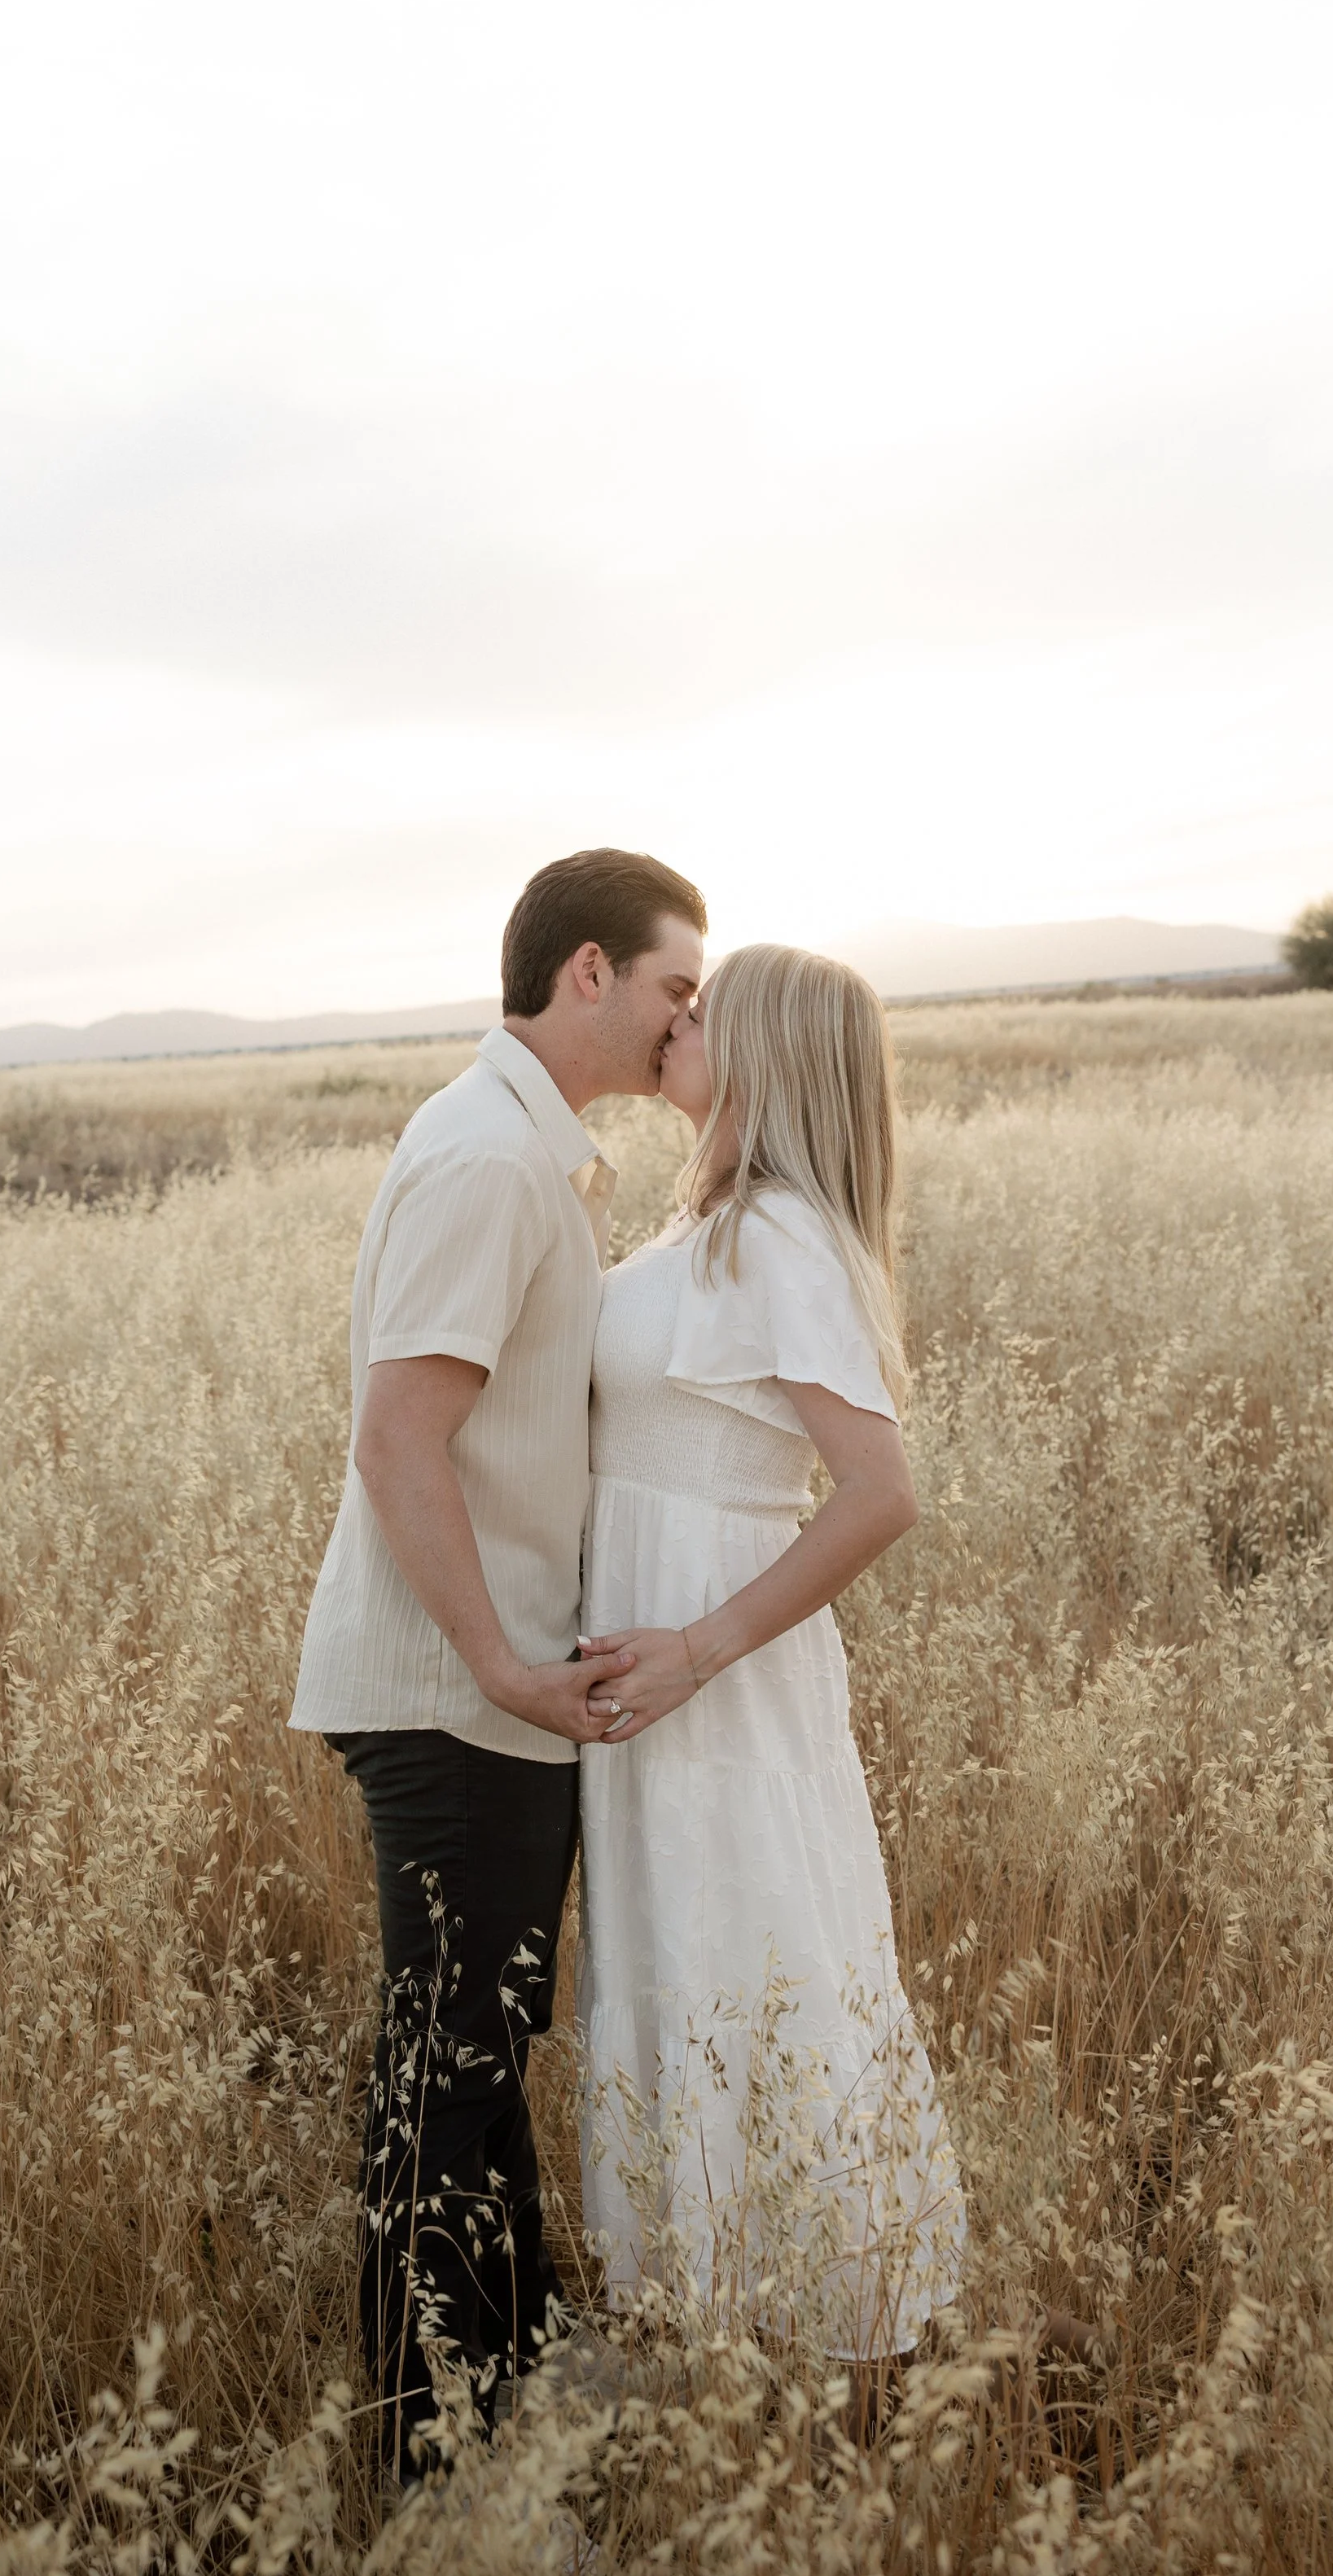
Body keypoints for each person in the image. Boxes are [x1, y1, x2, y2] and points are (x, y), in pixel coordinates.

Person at [290, 847, 707, 2488]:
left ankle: (507, 2402)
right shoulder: (484, 1161)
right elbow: (399, 1437)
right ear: (588, 976)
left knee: (476, 2061)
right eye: (676, 985)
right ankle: (425, 2472)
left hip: (498, 1689)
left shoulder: (542, 1157)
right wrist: (498, 1665)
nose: (691, 1015)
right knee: (442, 2076)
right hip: (456, 1694)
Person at [575, 943, 968, 2368]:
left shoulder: (785, 1237)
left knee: (745, 1943)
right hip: (646, 1634)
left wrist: (697, 1645)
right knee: (677, 1944)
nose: (676, 1022)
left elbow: (880, 1490)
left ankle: (804, 2319)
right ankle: (704, 2311)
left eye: (705, 1010)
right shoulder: (703, 1222)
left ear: (770, 1056)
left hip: (714, 1649)